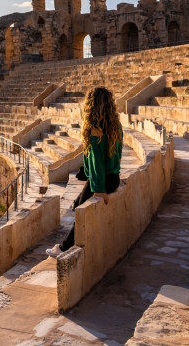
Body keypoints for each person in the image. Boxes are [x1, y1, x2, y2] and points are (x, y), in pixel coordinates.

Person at [47, 86, 123, 257]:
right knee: (77, 205)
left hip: (100, 181)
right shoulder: (116, 126)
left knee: (80, 216)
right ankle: (64, 245)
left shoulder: (95, 130)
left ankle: (63, 248)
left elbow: (96, 163)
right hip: (114, 178)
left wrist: (99, 189)